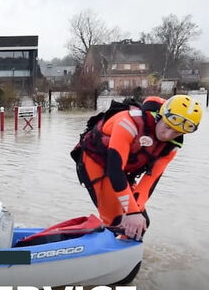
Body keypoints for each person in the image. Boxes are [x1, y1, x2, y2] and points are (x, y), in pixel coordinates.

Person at [72, 95, 202, 240]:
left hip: (124, 171)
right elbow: (114, 169)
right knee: (116, 221)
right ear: (160, 117)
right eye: (167, 127)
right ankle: (94, 251)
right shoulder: (128, 122)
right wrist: (131, 213)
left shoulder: (171, 147)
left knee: (141, 223)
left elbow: (150, 181)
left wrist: (135, 211)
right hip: (96, 162)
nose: (168, 135)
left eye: (177, 132)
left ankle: (123, 256)